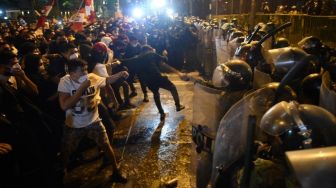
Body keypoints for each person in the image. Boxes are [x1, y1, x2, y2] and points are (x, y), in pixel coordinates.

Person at [58, 58, 128, 183]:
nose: (86, 73)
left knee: (106, 145)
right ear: (72, 73)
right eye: (82, 71)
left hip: (93, 121)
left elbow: (106, 80)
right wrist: (81, 89)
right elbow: (64, 106)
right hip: (73, 124)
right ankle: (63, 169)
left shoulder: (92, 77)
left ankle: (115, 171)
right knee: (66, 150)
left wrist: (120, 74)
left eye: (86, 69)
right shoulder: (65, 82)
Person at [122, 45, 187, 121]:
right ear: (149, 49)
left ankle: (161, 113)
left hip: (148, 80)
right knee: (172, 87)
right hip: (157, 77)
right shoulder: (151, 53)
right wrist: (165, 54)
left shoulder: (137, 58)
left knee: (156, 94)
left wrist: (117, 60)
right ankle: (178, 105)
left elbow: (125, 61)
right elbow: (164, 60)